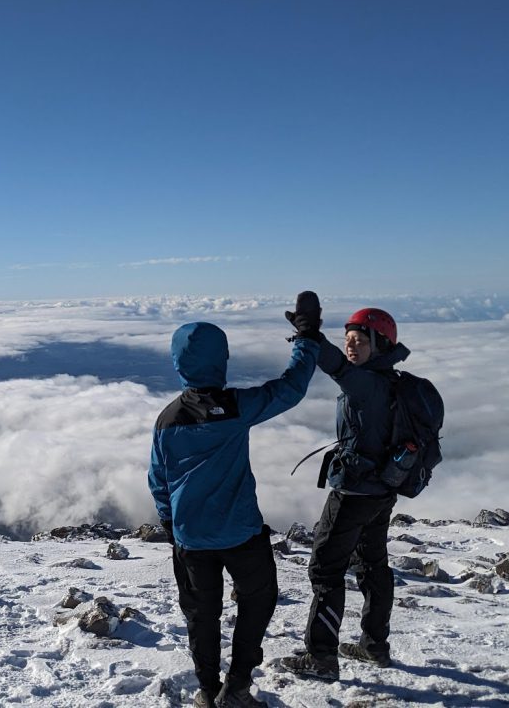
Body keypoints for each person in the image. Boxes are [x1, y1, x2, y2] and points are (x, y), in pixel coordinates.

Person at [149, 293, 323, 707]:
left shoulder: (167, 419)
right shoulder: (236, 408)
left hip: (191, 538)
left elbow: (158, 479)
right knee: (258, 598)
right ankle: (238, 683)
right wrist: (306, 338)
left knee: (201, 615)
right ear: (221, 361)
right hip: (242, 534)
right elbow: (291, 388)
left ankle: (208, 692)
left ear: (178, 364)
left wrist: (171, 525)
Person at [276, 306, 411, 682]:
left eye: (360, 340)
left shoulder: (366, 383)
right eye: (348, 339)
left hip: (353, 493)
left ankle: (321, 656)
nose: (351, 346)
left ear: (380, 344)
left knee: (325, 568)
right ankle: (374, 646)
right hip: (382, 491)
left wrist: (311, 336)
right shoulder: (389, 380)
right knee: (372, 564)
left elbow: (336, 366)